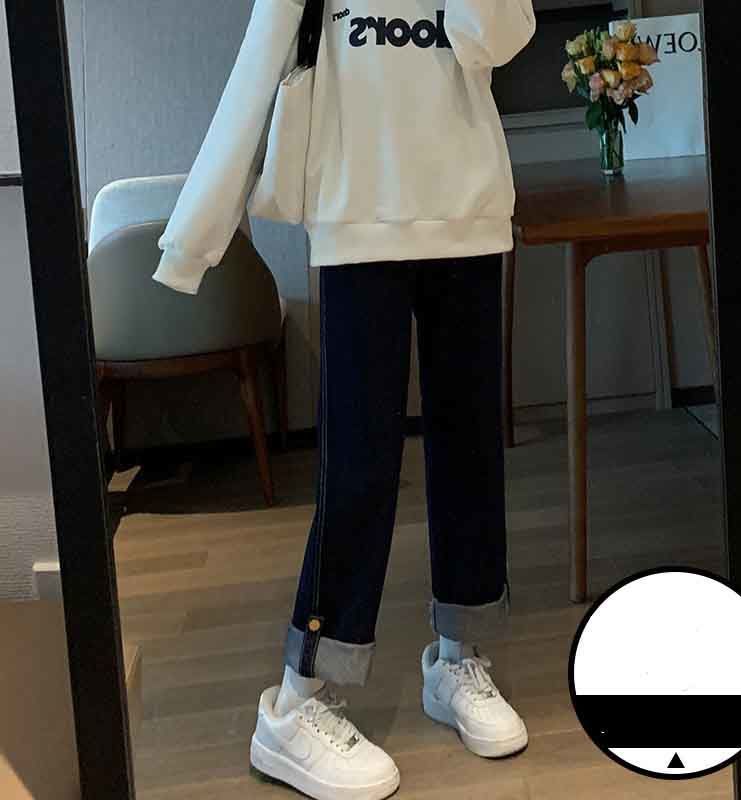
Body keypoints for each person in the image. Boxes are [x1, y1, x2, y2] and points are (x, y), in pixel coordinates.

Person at [152, 2, 537, 798]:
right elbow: (257, 70)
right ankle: (295, 704)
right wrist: (194, 238)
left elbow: (497, 40)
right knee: (360, 464)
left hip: (470, 212)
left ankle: (457, 657)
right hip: (357, 216)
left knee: (470, 451)